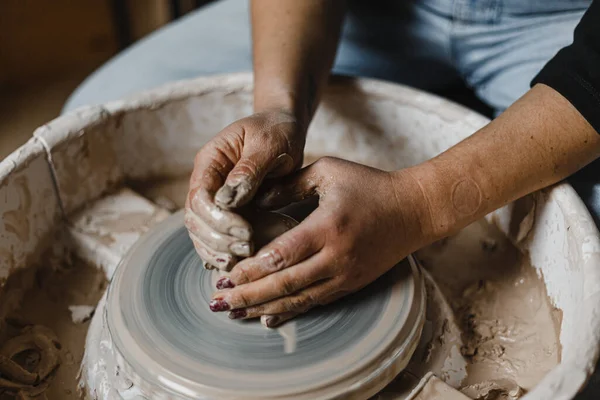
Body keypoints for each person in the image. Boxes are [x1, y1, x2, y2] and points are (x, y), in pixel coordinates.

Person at [65, 0, 600, 327]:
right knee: (98, 108)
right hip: (372, 9)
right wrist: (278, 106)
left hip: (561, 20)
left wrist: (417, 204)